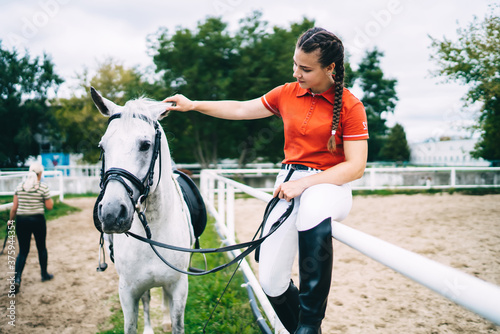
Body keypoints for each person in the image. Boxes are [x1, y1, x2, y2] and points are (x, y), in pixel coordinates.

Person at [164, 27, 368, 334]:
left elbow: (355, 167)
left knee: (313, 205)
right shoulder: (286, 93)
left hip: (330, 187)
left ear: (330, 68)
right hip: (288, 185)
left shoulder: (351, 107)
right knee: (271, 282)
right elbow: (241, 108)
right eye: (295, 65)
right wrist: (194, 104)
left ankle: (310, 326)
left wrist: (305, 184)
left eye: (306, 69)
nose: (297, 73)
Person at [9, 162, 54, 294]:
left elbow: (14, 208)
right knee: (41, 247)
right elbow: (50, 206)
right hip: (37, 220)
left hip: (22, 221)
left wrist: (10, 221)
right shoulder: (42, 187)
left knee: (23, 251)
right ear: (40, 174)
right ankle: (44, 274)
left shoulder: (20, 187)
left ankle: (17, 279)